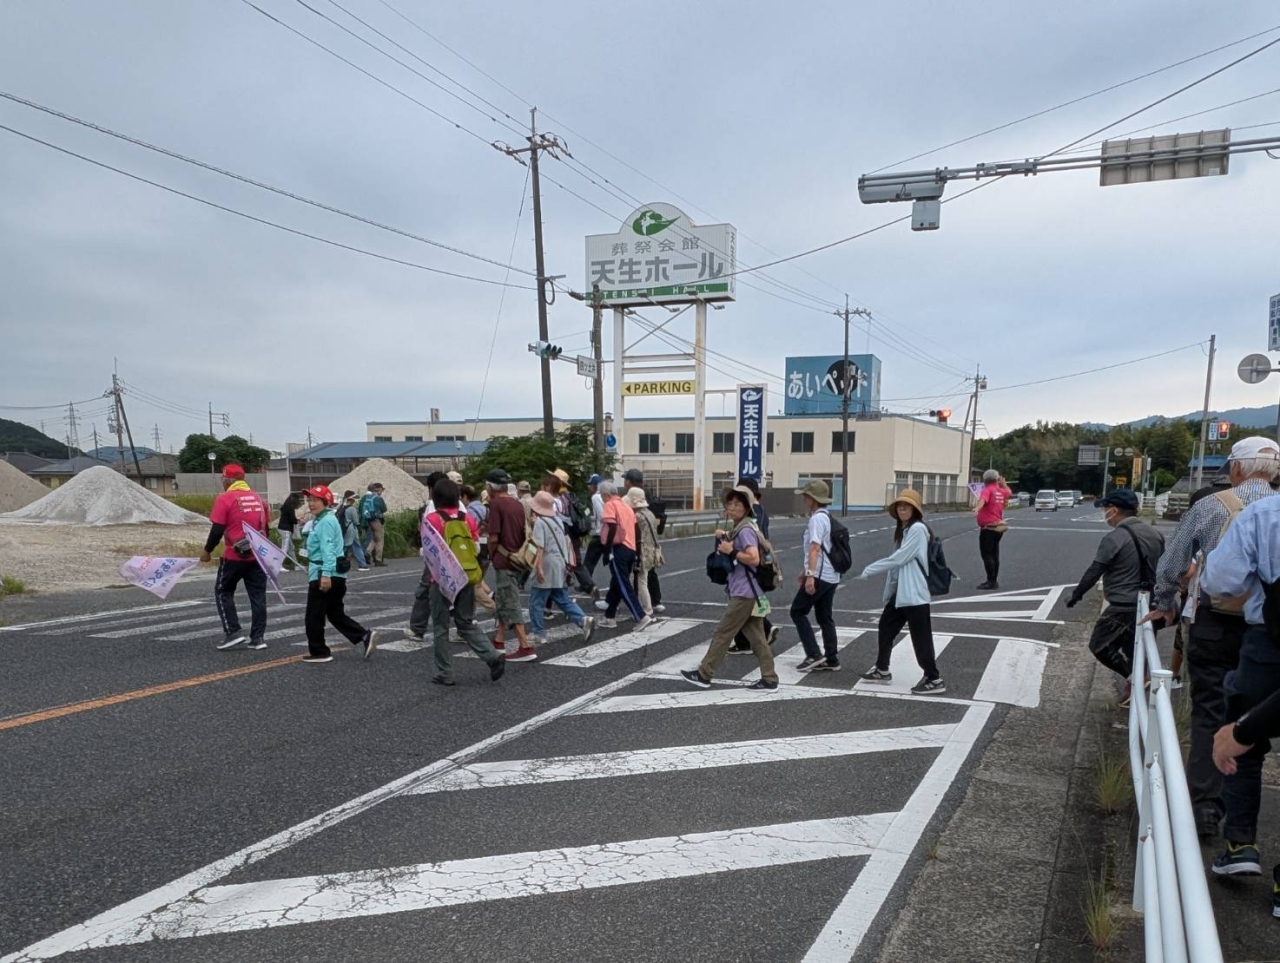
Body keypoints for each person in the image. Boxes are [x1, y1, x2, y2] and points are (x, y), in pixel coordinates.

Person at [1148, 436, 1279, 839]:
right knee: (1263, 714)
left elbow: (1173, 563)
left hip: (1217, 625)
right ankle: (1246, 836)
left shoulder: (1211, 506)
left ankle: (1205, 811)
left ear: (1237, 469)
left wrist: (1166, 600)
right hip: (1270, 633)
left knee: (1209, 711)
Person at [1199, 494, 1280, 901]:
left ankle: (1239, 845)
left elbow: (1220, 581)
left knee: (1242, 740)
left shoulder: (1265, 514)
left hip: (1269, 642)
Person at [1065, 489, 1164, 706]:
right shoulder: (1155, 533)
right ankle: (1134, 694)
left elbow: (1095, 571)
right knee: (1134, 650)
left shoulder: (1115, 538)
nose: (1104, 513)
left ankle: (1136, 679)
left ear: (1114, 510)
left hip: (1122, 605)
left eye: (1105, 509)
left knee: (1100, 645)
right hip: (1150, 602)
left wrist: (1076, 595)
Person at [680, 486, 779, 692]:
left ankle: (704, 674)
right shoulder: (745, 526)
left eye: (737, 504)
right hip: (750, 591)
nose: (732, 507)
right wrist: (725, 535)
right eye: (730, 503)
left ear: (746, 508)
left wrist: (730, 550)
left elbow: (753, 558)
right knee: (758, 638)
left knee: (723, 633)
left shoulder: (744, 530)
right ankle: (770, 679)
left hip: (744, 592)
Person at [416, 477, 505, 686]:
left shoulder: (433, 519)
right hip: (467, 574)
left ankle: (444, 672)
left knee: (440, 626)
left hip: (441, 579)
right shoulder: (467, 519)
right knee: (465, 622)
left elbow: (427, 551)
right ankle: (492, 656)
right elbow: (474, 547)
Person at [858, 489, 946, 695]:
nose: (902, 508)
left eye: (907, 506)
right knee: (886, 627)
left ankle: (934, 678)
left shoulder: (917, 530)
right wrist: (891, 592)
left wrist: (870, 569)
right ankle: (882, 668)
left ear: (915, 510)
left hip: (914, 594)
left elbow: (899, 559)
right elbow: (898, 567)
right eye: (899, 505)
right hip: (902, 594)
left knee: (921, 637)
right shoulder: (906, 531)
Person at [300, 485, 378, 665]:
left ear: (325, 502)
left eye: (316, 500)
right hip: (333, 574)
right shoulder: (322, 520)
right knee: (335, 613)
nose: (311, 503)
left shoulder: (326, 521)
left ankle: (319, 651)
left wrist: (325, 574)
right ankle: (364, 636)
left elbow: (328, 550)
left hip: (325, 574)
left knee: (314, 615)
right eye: (309, 499)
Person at [202, 464, 270, 651]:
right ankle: (258, 638)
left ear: (227, 481)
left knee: (223, 591)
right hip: (257, 556)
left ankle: (233, 632)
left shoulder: (225, 499)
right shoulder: (259, 499)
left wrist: (207, 550)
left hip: (233, 555)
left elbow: (217, 529)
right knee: (257, 597)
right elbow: (266, 529)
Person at [528, 491, 597, 645]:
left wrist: (538, 568)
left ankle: (538, 633)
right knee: (561, 597)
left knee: (536, 601)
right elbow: (565, 543)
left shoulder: (540, 523)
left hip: (547, 563)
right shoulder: (558, 520)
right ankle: (583, 619)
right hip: (560, 561)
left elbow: (539, 548)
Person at [791, 479, 842, 672]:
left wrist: (810, 575)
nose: (804, 498)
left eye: (806, 496)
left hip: (820, 576)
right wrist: (806, 571)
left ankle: (813, 654)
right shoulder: (827, 517)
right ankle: (832, 658)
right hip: (832, 576)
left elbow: (815, 548)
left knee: (797, 611)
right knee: (824, 616)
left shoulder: (816, 519)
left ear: (813, 499)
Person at [486, 468, 536, 661]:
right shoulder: (516, 503)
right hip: (519, 557)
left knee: (511, 601)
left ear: (490, 486)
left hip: (504, 559)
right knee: (504, 598)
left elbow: (493, 537)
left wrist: (492, 555)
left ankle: (525, 646)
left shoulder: (496, 504)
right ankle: (498, 640)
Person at [730, 476, 777, 652]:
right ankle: (757, 637)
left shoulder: (748, 512)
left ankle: (752, 638)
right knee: (752, 600)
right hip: (762, 561)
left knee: (741, 601)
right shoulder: (762, 511)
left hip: (747, 560)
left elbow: (744, 536)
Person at [598, 479, 648, 630]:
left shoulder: (610, 505)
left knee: (622, 584)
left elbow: (611, 526)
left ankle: (640, 616)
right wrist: (637, 554)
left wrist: (606, 551)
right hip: (631, 548)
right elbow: (636, 530)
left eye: (601, 495)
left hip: (618, 548)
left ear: (606, 494)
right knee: (617, 582)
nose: (601, 498)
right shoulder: (626, 507)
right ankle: (609, 616)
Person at [623, 468, 664, 613]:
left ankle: (646, 609)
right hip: (651, 550)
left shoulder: (637, 517)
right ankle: (653, 603)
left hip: (641, 551)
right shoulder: (650, 514)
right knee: (645, 579)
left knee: (641, 581)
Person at [974, 469, 1013, 590]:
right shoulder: (1000, 491)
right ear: (996, 479)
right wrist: (1003, 483)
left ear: (984, 480)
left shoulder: (987, 490)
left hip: (988, 528)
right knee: (995, 554)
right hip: (998, 527)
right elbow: (1009, 492)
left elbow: (983, 500)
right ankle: (994, 580)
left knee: (987, 554)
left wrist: (977, 508)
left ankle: (990, 581)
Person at [581, 474, 607, 593]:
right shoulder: (607, 496)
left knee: (589, 561)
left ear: (595, 485)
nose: (588, 487)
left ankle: (586, 585)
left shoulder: (596, 497)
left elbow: (601, 515)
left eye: (590, 484)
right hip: (608, 533)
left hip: (599, 532)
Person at [341, 490, 370, 572]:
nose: (354, 500)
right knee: (356, 547)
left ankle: (338, 562)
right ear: (351, 499)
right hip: (351, 529)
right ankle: (362, 565)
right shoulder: (352, 509)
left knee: (344, 547)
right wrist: (359, 527)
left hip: (345, 529)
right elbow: (356, 521)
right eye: (353, 499)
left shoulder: (342, 507)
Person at [363, 482, 389, 567]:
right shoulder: (378, 498)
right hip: (377, 520)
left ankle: (367, 552)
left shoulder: (367, 498)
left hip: (369, 520)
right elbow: (384, 509)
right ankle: (378, 560)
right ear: (377, 490)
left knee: (374, 538)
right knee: (380, 540)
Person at [276, 492, 303, 568]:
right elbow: (293, 520)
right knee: (285, 548)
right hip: (286, 530)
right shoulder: (290, 508)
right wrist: (298, 520)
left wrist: (296, 519)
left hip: (282, 528)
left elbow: (290, 518)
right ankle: (279, 565)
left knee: (291, 547)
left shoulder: (286, 507)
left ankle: (296, 565)